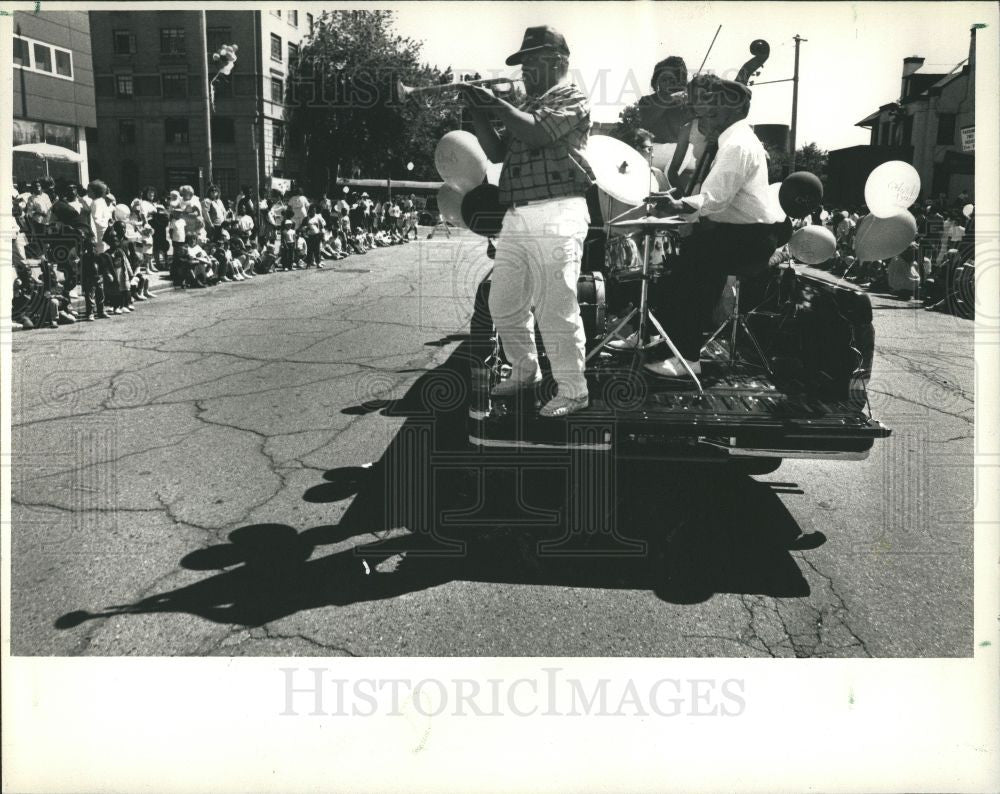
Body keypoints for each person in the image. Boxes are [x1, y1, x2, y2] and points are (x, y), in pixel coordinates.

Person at [459, 24, 595, 418]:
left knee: (556, 305)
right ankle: (525, 370)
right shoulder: (528, 106)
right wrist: (477, 114)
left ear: (557, 63)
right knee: (503, 303)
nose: (524, 73)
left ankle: (573, 388)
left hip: (560, 209)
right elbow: (499, 153)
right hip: (519, 212)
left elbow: (537, 135)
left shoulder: (572, 96)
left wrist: (497, 105)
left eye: (531, 63)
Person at [644, 78, 790, 379]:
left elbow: (714, 199)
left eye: (710, 114)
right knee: (680, 272)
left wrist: (675, 206)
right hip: (739, 233)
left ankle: (687, 357)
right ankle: (671, 343)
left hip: (749, 238)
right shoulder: (735, 140)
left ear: (729, 112)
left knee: (693, 274)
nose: (704, 122)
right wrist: (682, 201)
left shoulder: (737, 145)